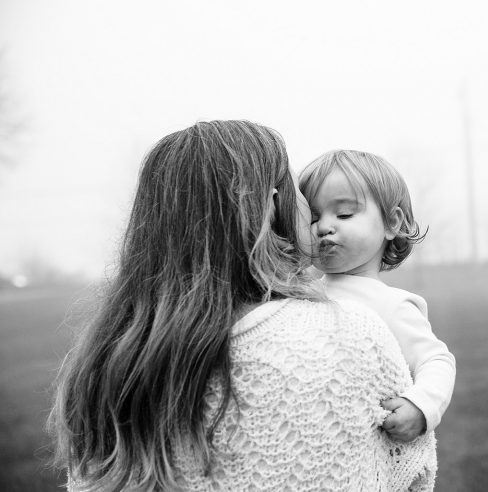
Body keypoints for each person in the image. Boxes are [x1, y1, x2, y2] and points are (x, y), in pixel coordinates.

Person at [48, 121, 436, 492]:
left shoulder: (106, 363)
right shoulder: (346, 332)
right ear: (270, 204)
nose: (320, 224)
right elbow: (409, 473)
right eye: (310, 207)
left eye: (344, 212)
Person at [299, 150, 456, 442]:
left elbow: (436, 360)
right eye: (312, 217)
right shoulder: (301, 292)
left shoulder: (390, 305)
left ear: (391, 223)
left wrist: (420, 407)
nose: (323, 227)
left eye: (344, 213)